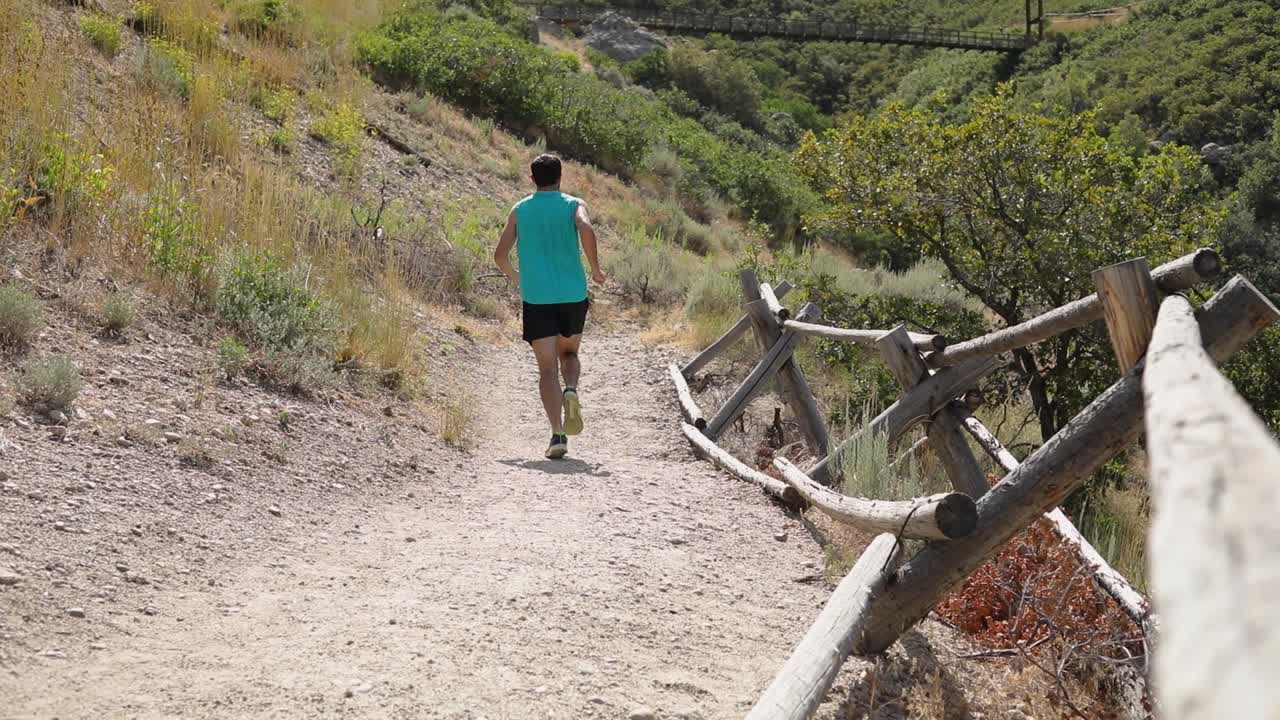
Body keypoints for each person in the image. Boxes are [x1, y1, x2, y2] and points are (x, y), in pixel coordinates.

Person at [494, 154, 606, 460]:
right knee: (569, 353)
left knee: (546, 371)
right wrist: (595, 269)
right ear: (560, 177)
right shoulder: (573, 204)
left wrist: (520, 279)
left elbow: (500, 256)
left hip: (537, 297)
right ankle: (571, 388)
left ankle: (558, 434)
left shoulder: (520, 210)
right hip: (572, 294)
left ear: (532, 179)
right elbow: (586, 228)